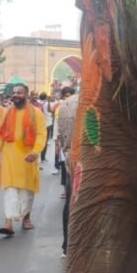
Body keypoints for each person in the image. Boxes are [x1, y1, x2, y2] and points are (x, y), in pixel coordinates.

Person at [0, 83, 46, 236]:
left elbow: (41, 134)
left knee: (26, 192)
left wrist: (36, 152)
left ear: (27, 95)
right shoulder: (8, 113)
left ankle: (26, 217)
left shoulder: (36, 113)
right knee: (10, 190)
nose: (16, 95)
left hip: (27, 157)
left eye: (20, 92)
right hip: (10, 157)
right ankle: (8, 222)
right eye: (15, 92)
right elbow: (0, 135)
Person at [56, 86, 79, 257]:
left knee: (71, 202)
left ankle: (67, 244)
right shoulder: (71, 104)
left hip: (74, 160)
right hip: (83, 159)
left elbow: (63, 139)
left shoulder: (67, 104)